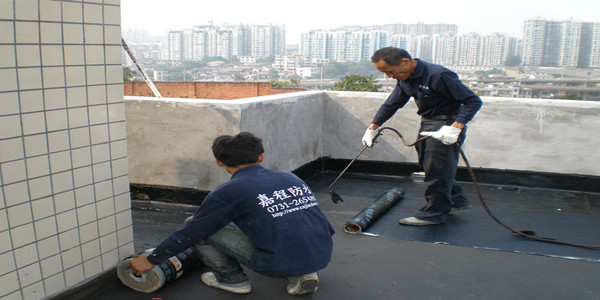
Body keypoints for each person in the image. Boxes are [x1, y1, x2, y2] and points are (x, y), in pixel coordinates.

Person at [128, 132, 335, 295]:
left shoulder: (228, 192)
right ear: (261, 156)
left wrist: (152, 259)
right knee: (279, 220)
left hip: (276, 262)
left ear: (219, 162)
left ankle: (233, 281)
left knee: (202, 227)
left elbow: (191, 232)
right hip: (322, 252)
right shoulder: (290, 178)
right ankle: (303, 273)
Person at [362, 47, 482, 226]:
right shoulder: (405, 79)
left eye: (390, 71)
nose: (389, 76)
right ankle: (457, 201)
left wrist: (455, 127)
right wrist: (372, 128)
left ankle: (434, 213)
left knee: (437, 170)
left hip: (447, 124)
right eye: (385, 73)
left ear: (405, 61)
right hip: (428, 122)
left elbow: (473, 101)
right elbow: (391, 104)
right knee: (430, 166)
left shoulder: (438, 75)